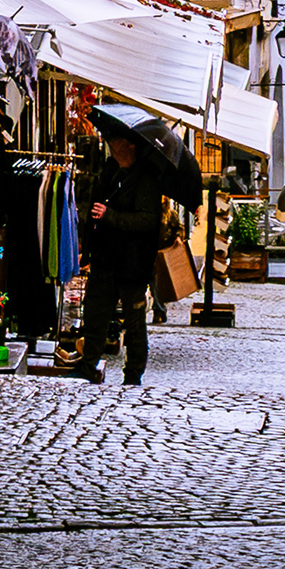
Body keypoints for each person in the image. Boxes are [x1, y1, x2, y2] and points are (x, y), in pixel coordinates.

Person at [79, 131, 164, 387]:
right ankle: (88, 366)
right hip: (105, 259)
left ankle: (134, 374)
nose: (113, 152)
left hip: (133, 263)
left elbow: (148, 220)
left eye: (117, 148)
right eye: (112, 148)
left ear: (130, 146)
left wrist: (111, 216)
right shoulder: (111, 172)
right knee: (95, 314)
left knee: (134, 322)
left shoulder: (146, 178)